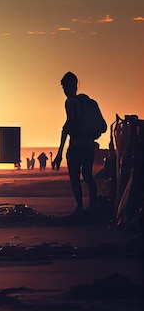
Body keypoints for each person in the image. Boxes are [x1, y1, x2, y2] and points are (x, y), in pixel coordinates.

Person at [53, 72, 98, 215]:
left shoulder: (70, 102)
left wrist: (59, 153)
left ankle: (80, 207)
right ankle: (93, 206)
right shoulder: (88, 102)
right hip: (89, 147)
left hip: (76, 147)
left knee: (74, 177)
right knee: (88, 176)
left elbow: (68, 127)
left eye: (65, 86)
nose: (65, 89)